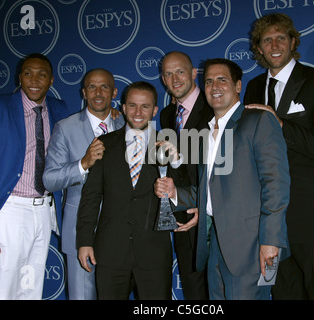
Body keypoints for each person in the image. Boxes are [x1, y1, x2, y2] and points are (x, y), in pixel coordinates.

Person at [157, 58, 290, 299]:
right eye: (208, 81)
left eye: (222, 80)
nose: (214, 86)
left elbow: (276, 184)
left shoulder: (258, 121)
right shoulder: (209, 132)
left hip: (253, 244)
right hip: (215, 243)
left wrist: (271, 241)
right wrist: (176, 193)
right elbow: (212, 189)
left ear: (238, 86)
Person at [243, 13, 314, 299]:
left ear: (293, 41)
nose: (273, 45)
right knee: (284, 291)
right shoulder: (254, 88)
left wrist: (282, 125)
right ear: (258, 48)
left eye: (280, 37)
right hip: (270, 215)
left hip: (310, 210)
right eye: (266, 39)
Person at [0, 53, 68, 299]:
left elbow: (81, 131)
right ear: (19, 77)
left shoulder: (59, 109)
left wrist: (111, 116)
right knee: (3, 290)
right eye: (28, 73)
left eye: (42, 75)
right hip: (8, 211)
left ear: (51, 81)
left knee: (31, 287)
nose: (34, 80)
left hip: (43, 211)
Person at [76, 81, 187, 299]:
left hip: (154, 251)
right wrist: (84, 241)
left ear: (154, 110)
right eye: (133, 105)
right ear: (124, 107)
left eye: (145, 106)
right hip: (111, 250)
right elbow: (91, 197)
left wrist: (176, 164)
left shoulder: (168, 145)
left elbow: (183, 189)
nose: (138, 112)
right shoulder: (103, 144)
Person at [43, 69, 125, 300]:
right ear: (83, 92)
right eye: (92, 87)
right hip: (80, 231)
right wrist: (83, 164)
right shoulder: (65, 128)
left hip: (120, 233)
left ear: (114, 92)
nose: (98, 93)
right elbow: (49, 179)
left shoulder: (126, 125)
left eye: (104, 87)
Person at [159, 51, 213, 300]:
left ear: (193, 74)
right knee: (192, 288)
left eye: (180, 71)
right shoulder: (167, 115)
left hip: (212, 216)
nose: (174, 78)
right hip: (182, 216)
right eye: (168, 74)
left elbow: (223, 167)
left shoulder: (215, 107)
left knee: (218, 288)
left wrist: (207, 207)